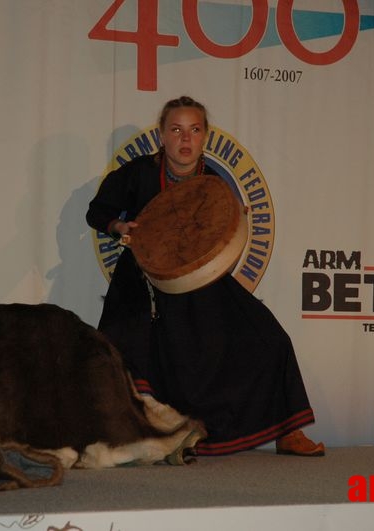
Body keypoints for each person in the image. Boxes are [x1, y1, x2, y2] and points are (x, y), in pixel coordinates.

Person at [86, 95, 324, 457]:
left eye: (194, 130)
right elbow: (97, 212)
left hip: (200, 281)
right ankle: (147, 441)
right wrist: (120, 225)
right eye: (176, 130)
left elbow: (220, 237)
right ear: (162, 136)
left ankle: (287, 431)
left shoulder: (213, 182)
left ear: (205, 137)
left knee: (269, 338)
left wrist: (232, 221)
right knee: (123, 349)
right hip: (142, 278)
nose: (185, 139)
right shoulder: (137, 173)